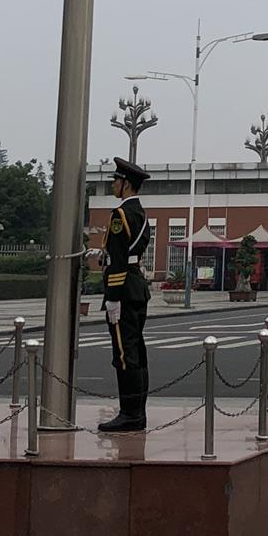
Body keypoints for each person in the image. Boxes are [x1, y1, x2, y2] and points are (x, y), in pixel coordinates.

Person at [98, 157, 152, 433]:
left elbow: (118, 259)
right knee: (136, 351)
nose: (113, 185)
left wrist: (112, 297)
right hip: (137, 288)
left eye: (116, 181)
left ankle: (129, 415)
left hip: (123, 291)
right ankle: (137, 413)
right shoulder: (141, 214)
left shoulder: (120, 215)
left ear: (126, 184)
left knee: (124, 353)